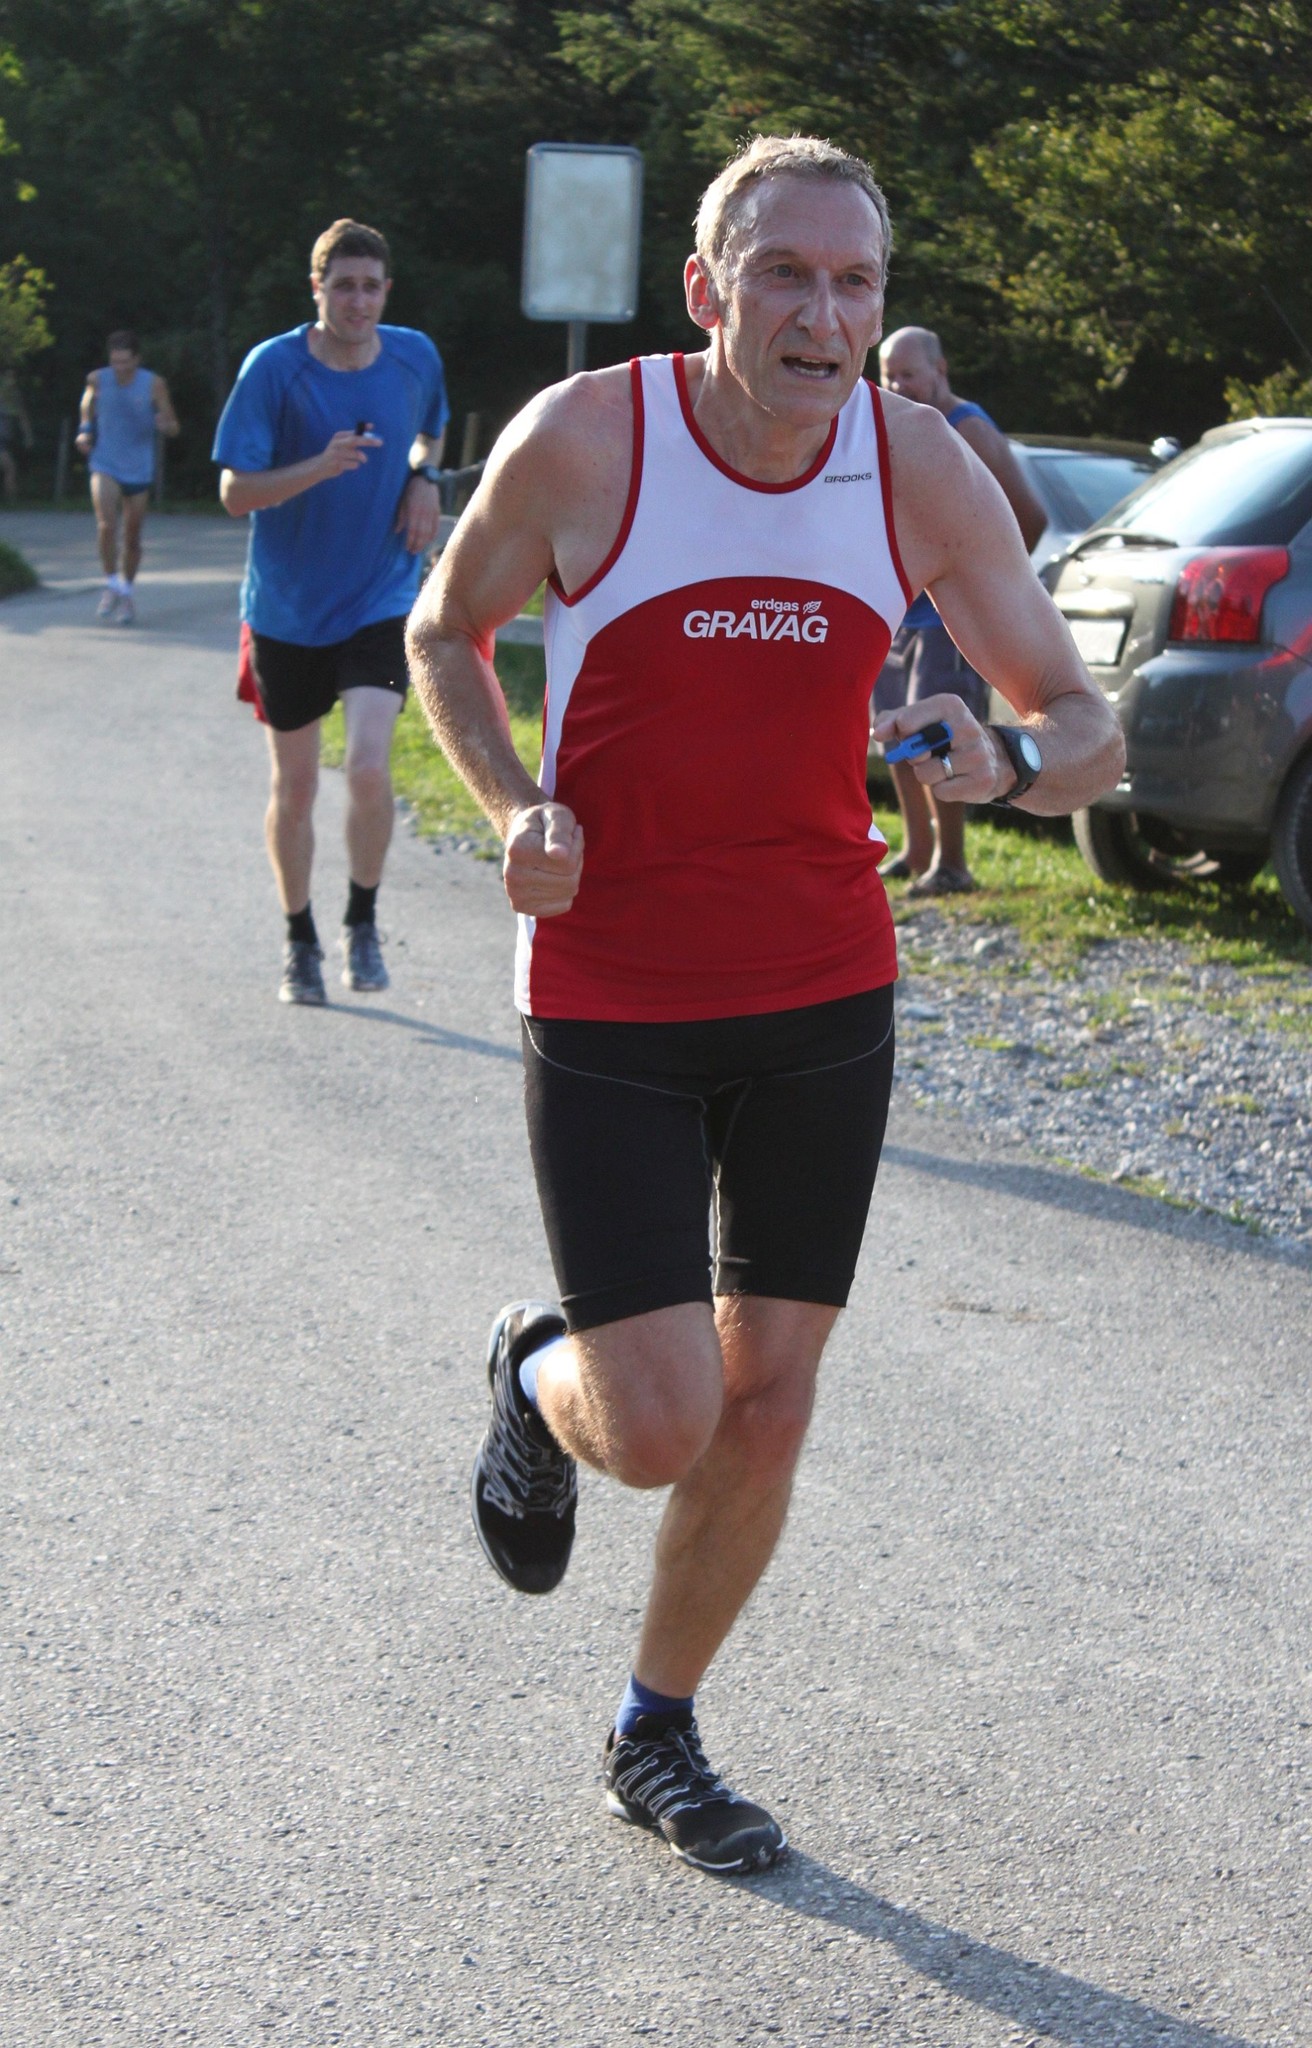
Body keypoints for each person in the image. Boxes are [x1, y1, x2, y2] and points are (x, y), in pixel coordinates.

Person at [406, 135, 1123, 1874]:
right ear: (705, 291)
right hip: (612, 983)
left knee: (772, 1397)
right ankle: (537, 1367)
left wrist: (1018, 761)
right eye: (784, 275)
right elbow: (443, 632)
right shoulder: (589, 440)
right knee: (660, 1423)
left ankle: (653, 1728)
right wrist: (516, 809)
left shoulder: (913, 464)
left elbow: (1079, 716)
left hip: (820, 981)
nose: (822, 315)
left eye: (854, 282)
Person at [213, 218, 449, 1006]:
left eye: (370, 286)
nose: (358, 301)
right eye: (343, 286)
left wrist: (424, 478)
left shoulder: (414, 355)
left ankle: (362, 923)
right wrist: (319, 466)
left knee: (370, 764)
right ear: (317, 289)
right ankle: (299, 939)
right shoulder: (274, 369)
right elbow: (234, 493)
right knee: (297, 786)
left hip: (381, 594)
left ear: (387, 290)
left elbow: (429, 433)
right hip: (287, 608)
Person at [876, 325, 1047, 894]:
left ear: (940, 370)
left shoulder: (966, 426)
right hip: (902, 611)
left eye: (908, 374)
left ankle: (952, 864)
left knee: (936, 737)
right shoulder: (898, 426)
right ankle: (916, 851)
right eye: (888, 375)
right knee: (895, 733)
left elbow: (1030, 516)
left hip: (946, 619)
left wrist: (983, 588)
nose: (897, 385)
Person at [75, 331, 180, 624]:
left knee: (132, 537)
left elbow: (174, 426)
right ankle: (111, 584)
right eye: (115, 361)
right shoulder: (97, 379)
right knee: (106, 525)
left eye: (125, 362)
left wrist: (165, 425)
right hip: (105, 462)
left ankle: (127, 592)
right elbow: (87, 405)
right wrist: (85, 430)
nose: (119, 367)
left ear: (137, 359)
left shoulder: (154, 384)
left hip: (138, 467)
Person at [0, 375, 33, 503]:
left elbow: (23, 420)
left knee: (9, 468)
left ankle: (11, 501)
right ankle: (12, 500)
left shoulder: (13, 404)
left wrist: (28, 436)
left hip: (4, 441)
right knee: (10, 468)